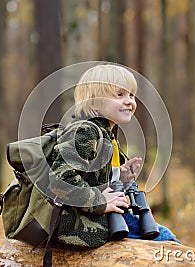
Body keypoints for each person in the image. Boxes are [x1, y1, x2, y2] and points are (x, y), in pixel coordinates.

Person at [48, 64, 178, 248]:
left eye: (131, 95)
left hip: (97, 215)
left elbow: (91, 177)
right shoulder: (86, 131)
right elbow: (61, 180)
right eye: (119, 95)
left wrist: (119, 176)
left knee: (161, 234)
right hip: (78, 223)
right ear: (93, 102)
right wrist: (100, 202)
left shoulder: (105, 133)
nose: (129, 101)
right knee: (165, 238)